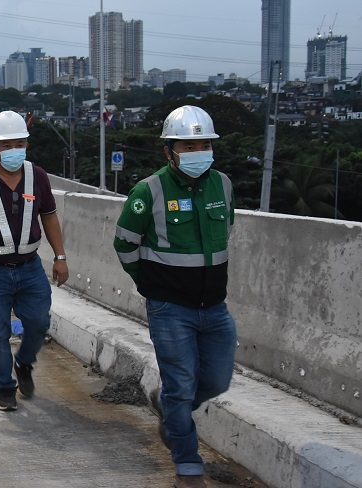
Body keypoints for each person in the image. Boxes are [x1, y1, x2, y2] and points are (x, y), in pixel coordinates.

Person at [113, 105, 236, 488]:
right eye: (188, 145)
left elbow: (226, 234)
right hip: (170, 310)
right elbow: (124, 245)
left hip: (215, 307)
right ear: (169, 149)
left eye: (204, 144)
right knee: (181, 386)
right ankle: (188, 466)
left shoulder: (223, 185)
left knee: (216, 381)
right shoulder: (147, 191)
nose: (198, 151)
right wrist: (150, 284)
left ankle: (170, 409)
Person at [0, 111, 69, 412]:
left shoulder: (37, 176)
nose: (13, 151)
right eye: (6, 146)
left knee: (38, 322)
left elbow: (50, 218)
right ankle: (5, 386)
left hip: (30, 268)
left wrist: (60, 257)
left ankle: (25, 362)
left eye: (19, 144)